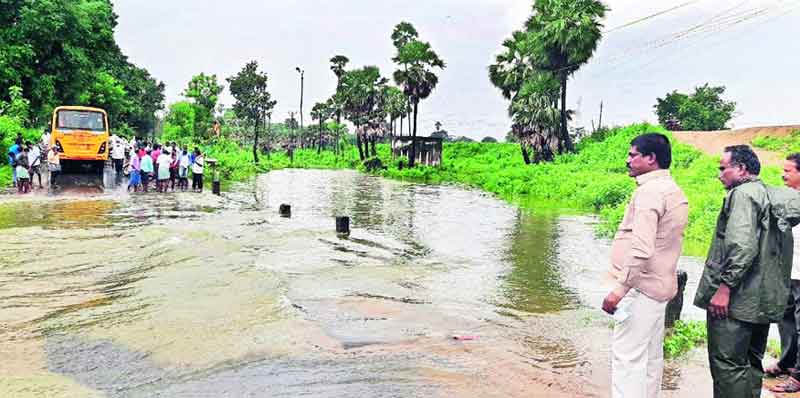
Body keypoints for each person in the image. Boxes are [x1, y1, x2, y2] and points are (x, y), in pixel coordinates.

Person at [694, 145, 798, 398]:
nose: (719, 174)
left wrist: (724, 289)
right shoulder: (770, 195)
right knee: (751, 362)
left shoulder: (742, 194)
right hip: (761, 302)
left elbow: (741, 245)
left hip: (737, 301)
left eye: (723, 168)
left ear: (740, 169)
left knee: (728, 365)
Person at [601, 133, 689, 398]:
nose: (627, 160)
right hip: (659, 288)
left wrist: (619, 290)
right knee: (651, 358)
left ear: (651, 159)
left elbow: (641, 249)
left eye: (632, 155)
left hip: (640, 289)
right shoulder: (672, 189)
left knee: (627, 358)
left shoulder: (650, 192)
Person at [767, 153, 800, 393]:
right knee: (785, 319)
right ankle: (788, 362)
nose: (783, 174)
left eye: (788, 171)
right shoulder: (788, 199)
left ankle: (798, 376)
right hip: (788, 271)